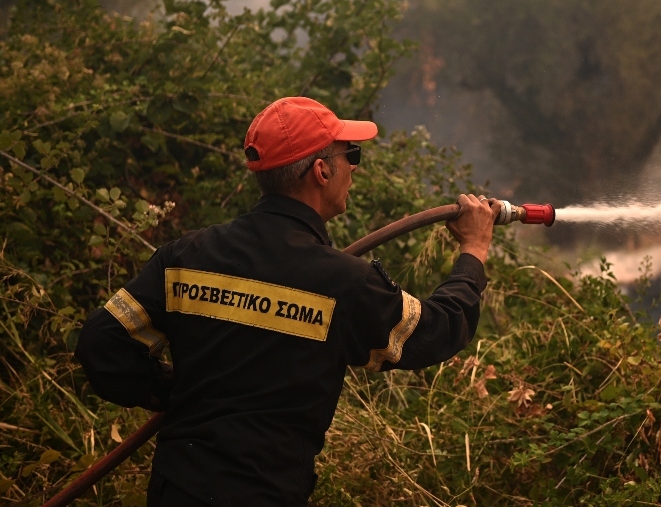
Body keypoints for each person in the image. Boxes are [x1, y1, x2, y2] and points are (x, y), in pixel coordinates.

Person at [75, 97, 497, 506]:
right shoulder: (343, 282)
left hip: (176, 490)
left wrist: (173, 392)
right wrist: (474, 250)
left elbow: (102, 345)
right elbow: (438, 330)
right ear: (321, 171)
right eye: (351, 155)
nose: (354, 166)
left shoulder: (187, 256)